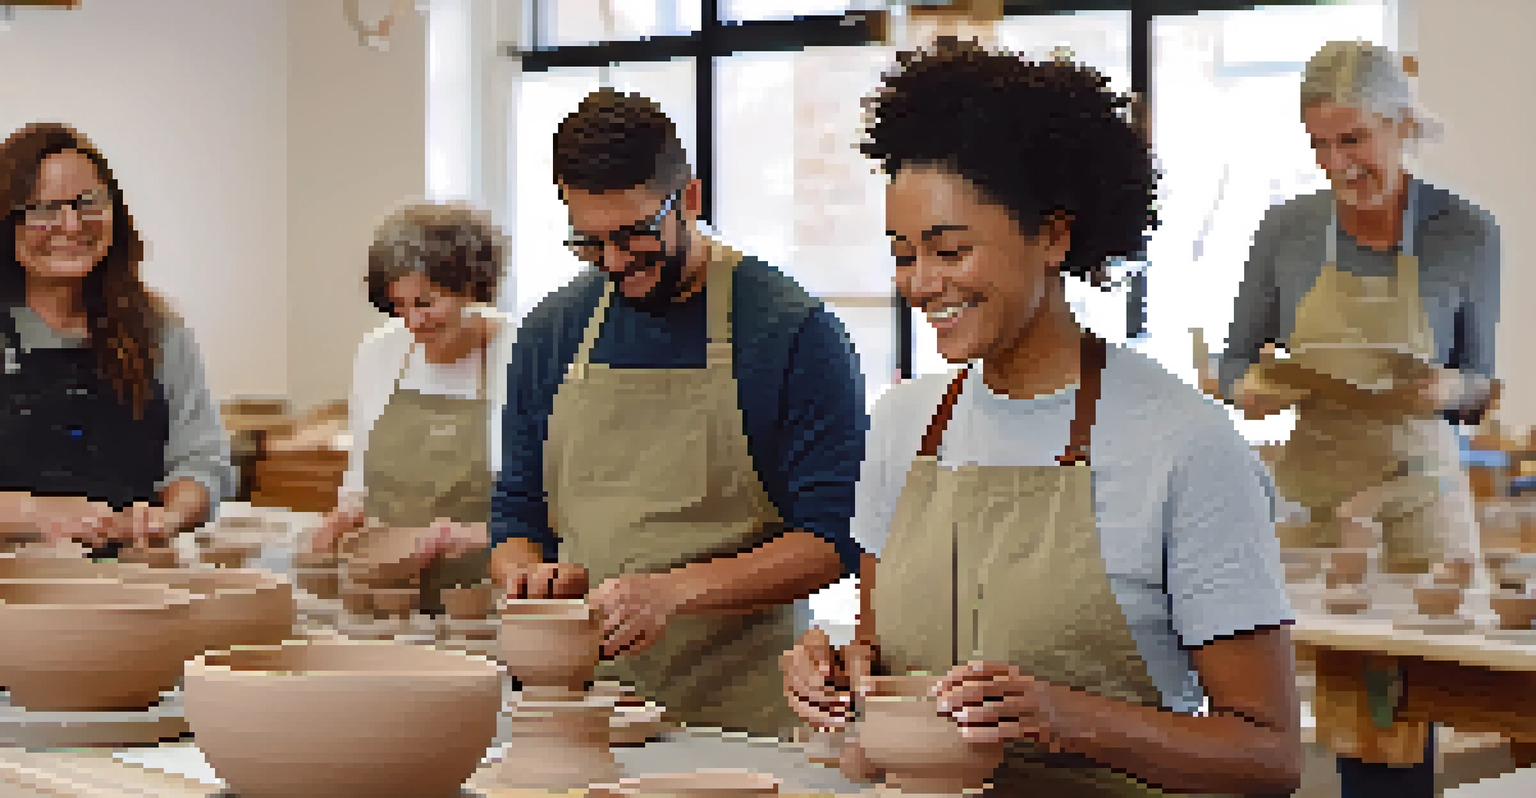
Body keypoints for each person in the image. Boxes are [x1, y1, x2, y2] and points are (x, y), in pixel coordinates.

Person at [781, 38, 1304, 796]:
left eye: (950, 250)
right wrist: (836, 668)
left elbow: (1268, 754)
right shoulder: (903, 425)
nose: (923, 284)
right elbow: (877, 648)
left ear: (1053, 235)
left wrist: (1067, 716)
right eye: (902, 254)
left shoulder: (1183, 445)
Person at [489, 88, 867, 739]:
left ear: (689, 199)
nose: (613, 262)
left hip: (742, 721)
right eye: (589, 241)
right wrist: (528, 578)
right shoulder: (552, 331)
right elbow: (517, 513)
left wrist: (670, 592)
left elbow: (834, 540)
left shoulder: (791, 332)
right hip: (582, 714)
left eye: (634, 235)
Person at [1214, 40, 1500, 795]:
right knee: (1323, 712)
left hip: (1419, 500)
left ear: (1402, 125)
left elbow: (1482, 385)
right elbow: (1234, 361)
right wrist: (1249, 391)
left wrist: (1447, 392)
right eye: (1320, 144)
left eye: (1353, 140)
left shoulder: (1466, 232)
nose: (1337, 164)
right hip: (1317, 500)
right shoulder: (1286, 231)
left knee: (1406, 717)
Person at [0, 122, 234, 555]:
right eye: (43, 209)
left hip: (132, 585)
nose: (71, 225)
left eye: (88, 203)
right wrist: (34, 515)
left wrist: (169, 514)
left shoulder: (159, 331)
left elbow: (202, 463)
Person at [307, 201, 513, 614]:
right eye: (398, 306)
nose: (412, 321)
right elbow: (359, 482)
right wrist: (344, 517)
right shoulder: (379, 353)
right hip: (389, 597)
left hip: (484, 601)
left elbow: (550, 507)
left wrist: (475, 535)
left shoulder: (521, 354)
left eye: (426, 302)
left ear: (472, 287)